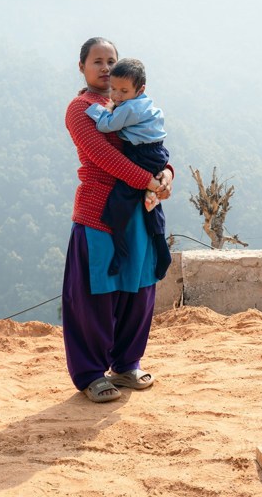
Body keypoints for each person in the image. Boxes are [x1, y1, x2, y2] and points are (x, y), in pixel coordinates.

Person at [63, 37, 174, 403]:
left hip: (139, 212)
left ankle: (126, 364)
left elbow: (151, 146)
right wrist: (150, 182)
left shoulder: (130, 101)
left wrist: (167, 175)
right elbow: (102, 158)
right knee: (97, 295)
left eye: (111, 60)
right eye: (97, 61)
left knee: (138, 291)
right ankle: (91, 373)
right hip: (99, 211)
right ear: (82, 66)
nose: (105, 67)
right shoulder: (81, 110)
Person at [84, 58, 172, 281]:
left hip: (140, 155)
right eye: (114, 89)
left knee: (118, 205)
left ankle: (120, 253)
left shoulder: (129, 108)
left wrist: (95, 110)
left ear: (139, 89)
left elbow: (106, 124)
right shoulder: (144, 102)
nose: (116, 96)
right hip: (156, 154)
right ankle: (162, 250)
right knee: (151, 205)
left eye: (123, 91)